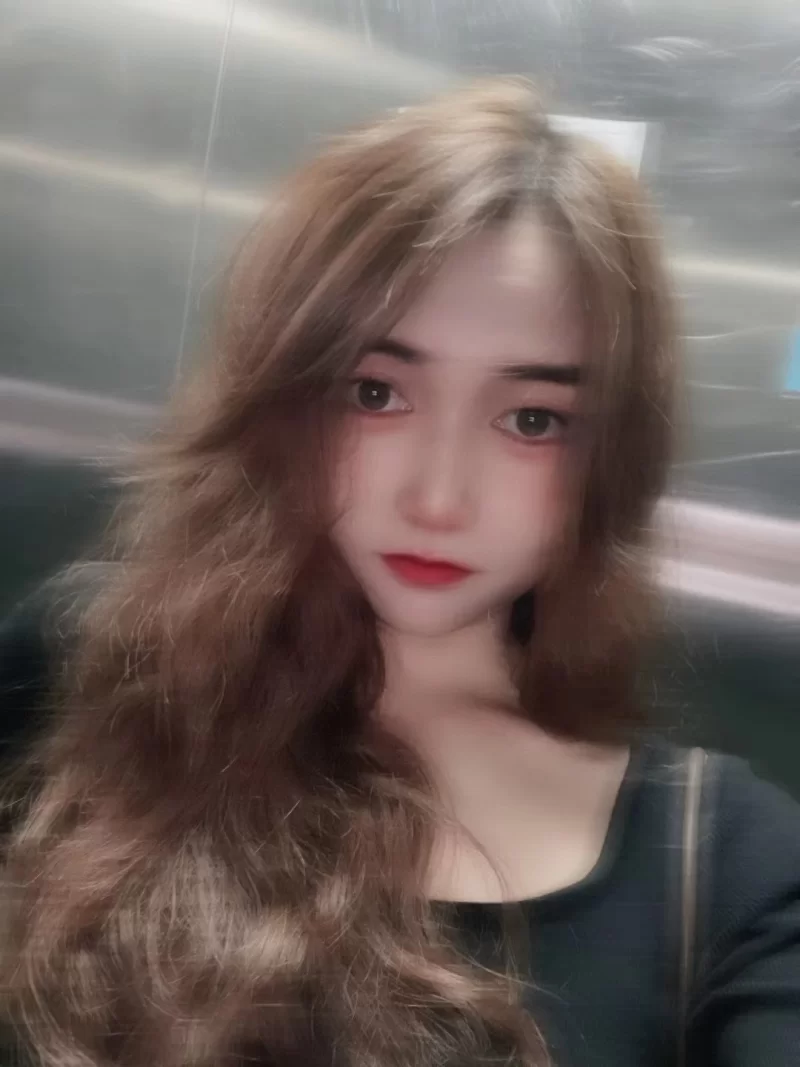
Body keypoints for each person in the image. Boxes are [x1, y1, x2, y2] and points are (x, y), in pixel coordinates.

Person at [1, 80, 799, 1067]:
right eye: (375, 392)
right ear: (285, 396)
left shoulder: (723, 869)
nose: (438, 498)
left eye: (532, 419)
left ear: (611, 455)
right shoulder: (84, 660)